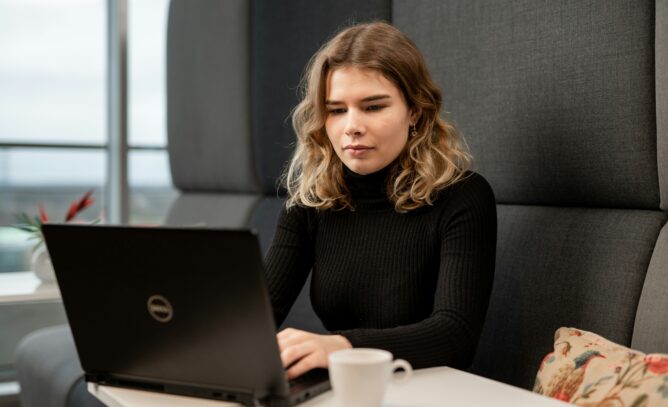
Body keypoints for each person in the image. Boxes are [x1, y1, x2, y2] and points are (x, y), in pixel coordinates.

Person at [264, 21, 497, 380]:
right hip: (344, 389)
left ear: (415, 111)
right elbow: (259, 316)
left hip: (430, 389)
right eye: (336, 110)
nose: (351, 126)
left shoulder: (463, 197)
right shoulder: (310, 203)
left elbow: (456, 335)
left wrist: (341, 347)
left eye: (372, 107)